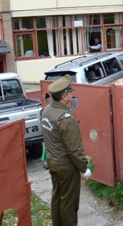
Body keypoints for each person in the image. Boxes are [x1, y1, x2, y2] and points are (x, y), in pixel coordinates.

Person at [41, 74, 91, 226]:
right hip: (66, 165)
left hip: (52, 160)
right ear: (64, 96)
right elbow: (74, 150)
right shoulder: (67, 119)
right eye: (70, 91)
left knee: (57, 198)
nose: (72, 93)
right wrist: (84, 168)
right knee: (69, 202)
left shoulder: (47, 110)